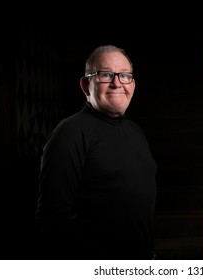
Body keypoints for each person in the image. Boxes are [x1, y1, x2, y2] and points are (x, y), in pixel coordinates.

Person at [35, 44, 157, 260]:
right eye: (106, 75)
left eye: (125, 76)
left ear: (133, 85)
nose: (117, 83)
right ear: (85, 85)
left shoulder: (135, 131)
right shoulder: (70, 133)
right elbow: (52, 218)